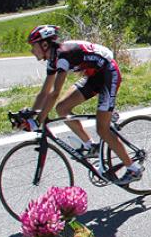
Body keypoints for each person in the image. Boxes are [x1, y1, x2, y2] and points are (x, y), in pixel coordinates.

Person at [22, 25, 143, 184]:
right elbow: (44, 92)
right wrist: (32, 113)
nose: (32, 51)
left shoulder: (63, 56)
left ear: (44, 45)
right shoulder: (52, 60)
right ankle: (90, 145)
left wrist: (38, 121)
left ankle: (134, 169)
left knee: (102, 129)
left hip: (108, 73)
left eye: (33, 46)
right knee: (62, 108)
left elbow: (55, 93)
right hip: (94, 75)